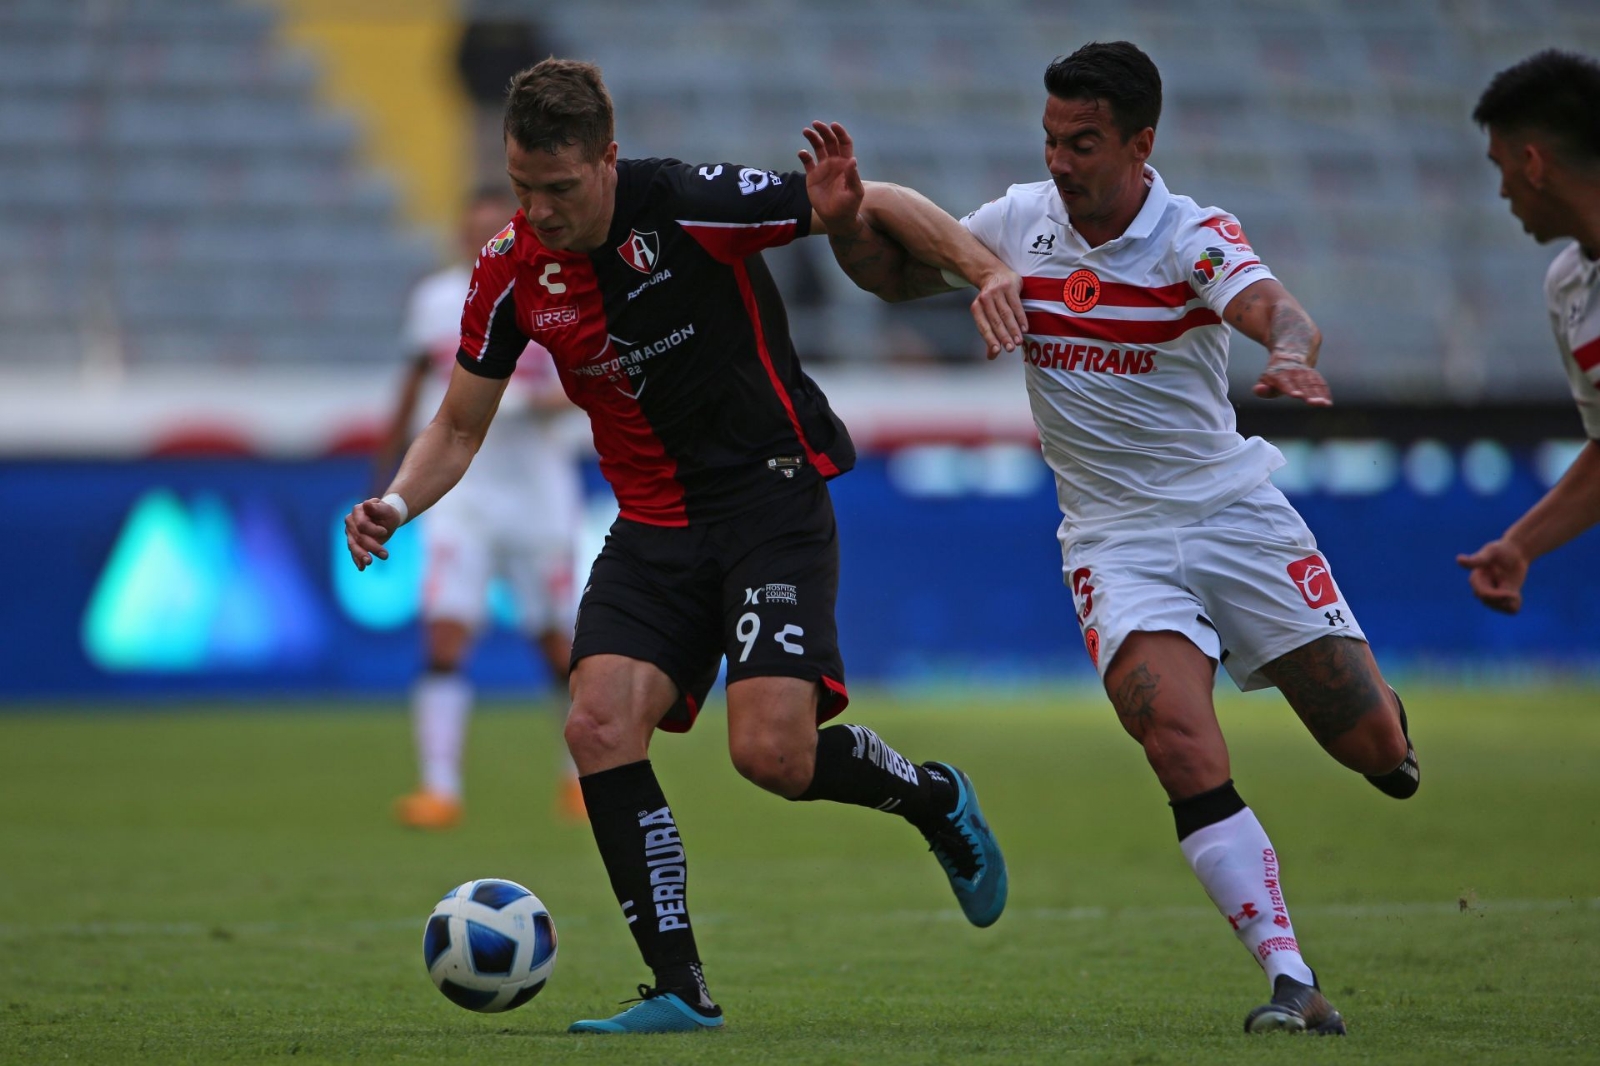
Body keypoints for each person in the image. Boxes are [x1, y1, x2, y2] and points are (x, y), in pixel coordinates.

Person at [344, 58, 1018, 1034]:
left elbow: (880, 201)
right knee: (596, 726)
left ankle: (931, 796)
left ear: (608, 162)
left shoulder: (690, 200)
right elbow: (456, 426)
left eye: (560, 190)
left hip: (769, 506)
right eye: (522, 187)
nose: (538, 211)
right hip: (653, 530)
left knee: (772, 755)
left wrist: (983, 268)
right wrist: (396, 502)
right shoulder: (506, 272)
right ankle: (679, 990)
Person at [801, 41, 1420, 1036]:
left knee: (1372, 748)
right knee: (1172, 735)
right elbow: (887, 269)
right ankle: (1291, 979)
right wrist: (842, 225)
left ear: (1141, 144)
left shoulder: (1190, 236)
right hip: (1111, 538)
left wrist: (1292, 354)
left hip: (1231, 513)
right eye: (1050, 139)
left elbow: (1273, 308)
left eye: (1081, 143)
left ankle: (1383, 724)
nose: (1058, 161)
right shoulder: (1019, 226)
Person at [374, 188, 587, 830]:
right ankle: (439, 788)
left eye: (495, 230)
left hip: (536, 498)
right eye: (473, 231)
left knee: (559, 646)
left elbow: (582, 386)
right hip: (458, 496)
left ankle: (580, 780)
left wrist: (518, 404)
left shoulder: (556, 293)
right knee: (444, 633)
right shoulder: (437, 300)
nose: (482, 242)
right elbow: (415, 382)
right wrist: (387, 468)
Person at [1457, 50, 1600, 614]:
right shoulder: (1569, 288)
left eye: (1501, 165)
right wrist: (1522, 544)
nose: (1503, 190)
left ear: (1534, 163)